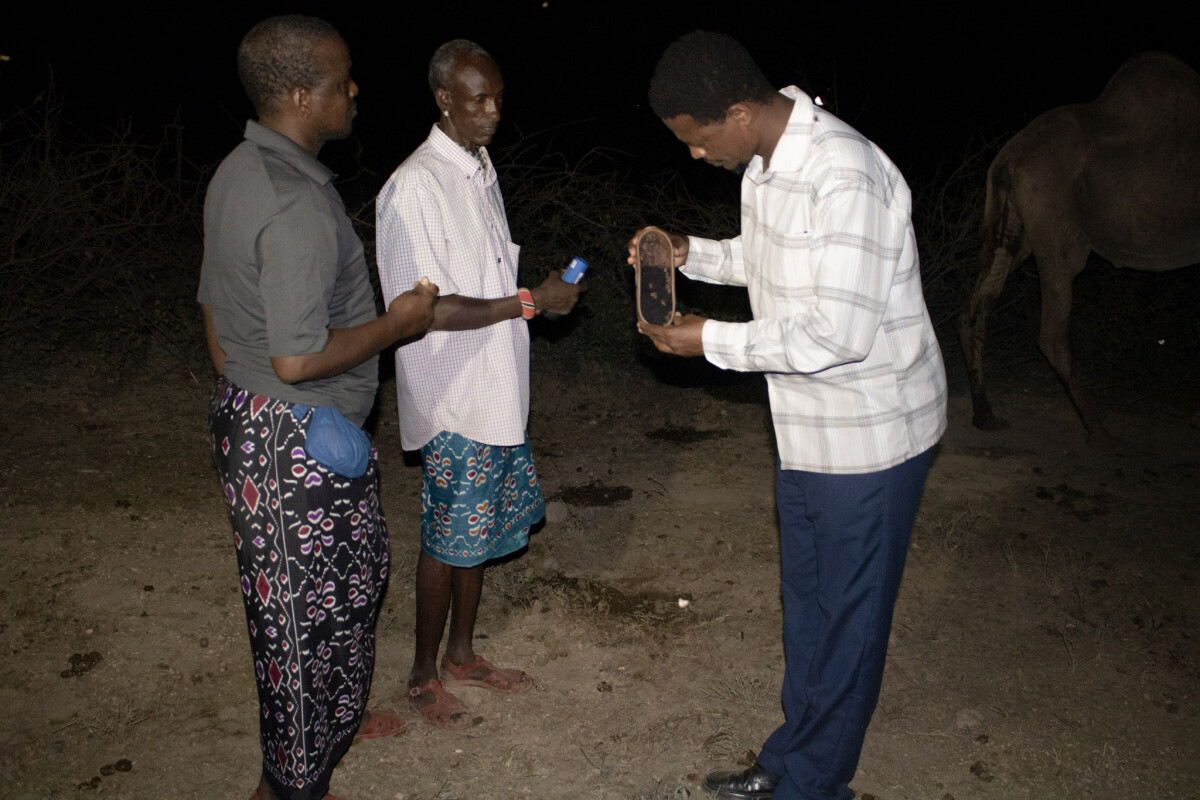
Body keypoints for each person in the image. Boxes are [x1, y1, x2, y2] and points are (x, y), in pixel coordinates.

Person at [632, 31, 947, 800]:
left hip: (871, 437)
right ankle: (790, 760)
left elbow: (836, 334)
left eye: (699, 141)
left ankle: (813, 785)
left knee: (849, 622)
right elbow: (762, 259)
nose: (698, 157)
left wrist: (708, 339)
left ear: (739, 112)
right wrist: (689, 253)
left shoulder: (847, 174)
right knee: (808, 608)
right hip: (806, 430)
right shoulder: (767, 165)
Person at [198, 15, 438, 800]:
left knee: (349, 586)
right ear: (302, 94)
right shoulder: (294, 204)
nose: (355, 90)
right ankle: (292, 784)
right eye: (342, 80)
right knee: (304, 629)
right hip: (293, 440)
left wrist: (248, 392)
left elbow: (212, 307)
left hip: (273, 424)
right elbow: (296, 357)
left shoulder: (241, 171)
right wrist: (397, 326)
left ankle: (327, 735)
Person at [375, 39, 581, 729]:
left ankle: (463, 655)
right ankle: (421, 675)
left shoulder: (477, 168)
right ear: (443, 99)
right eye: (476, 99)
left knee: (479, 533)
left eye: (497, 97)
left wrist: (534, 296)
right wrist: (530, 303)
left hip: (495, 387)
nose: (492, 111)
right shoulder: (412, 188)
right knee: (446, 540)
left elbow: (485, 277)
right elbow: (423, 310)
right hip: (452, 396)